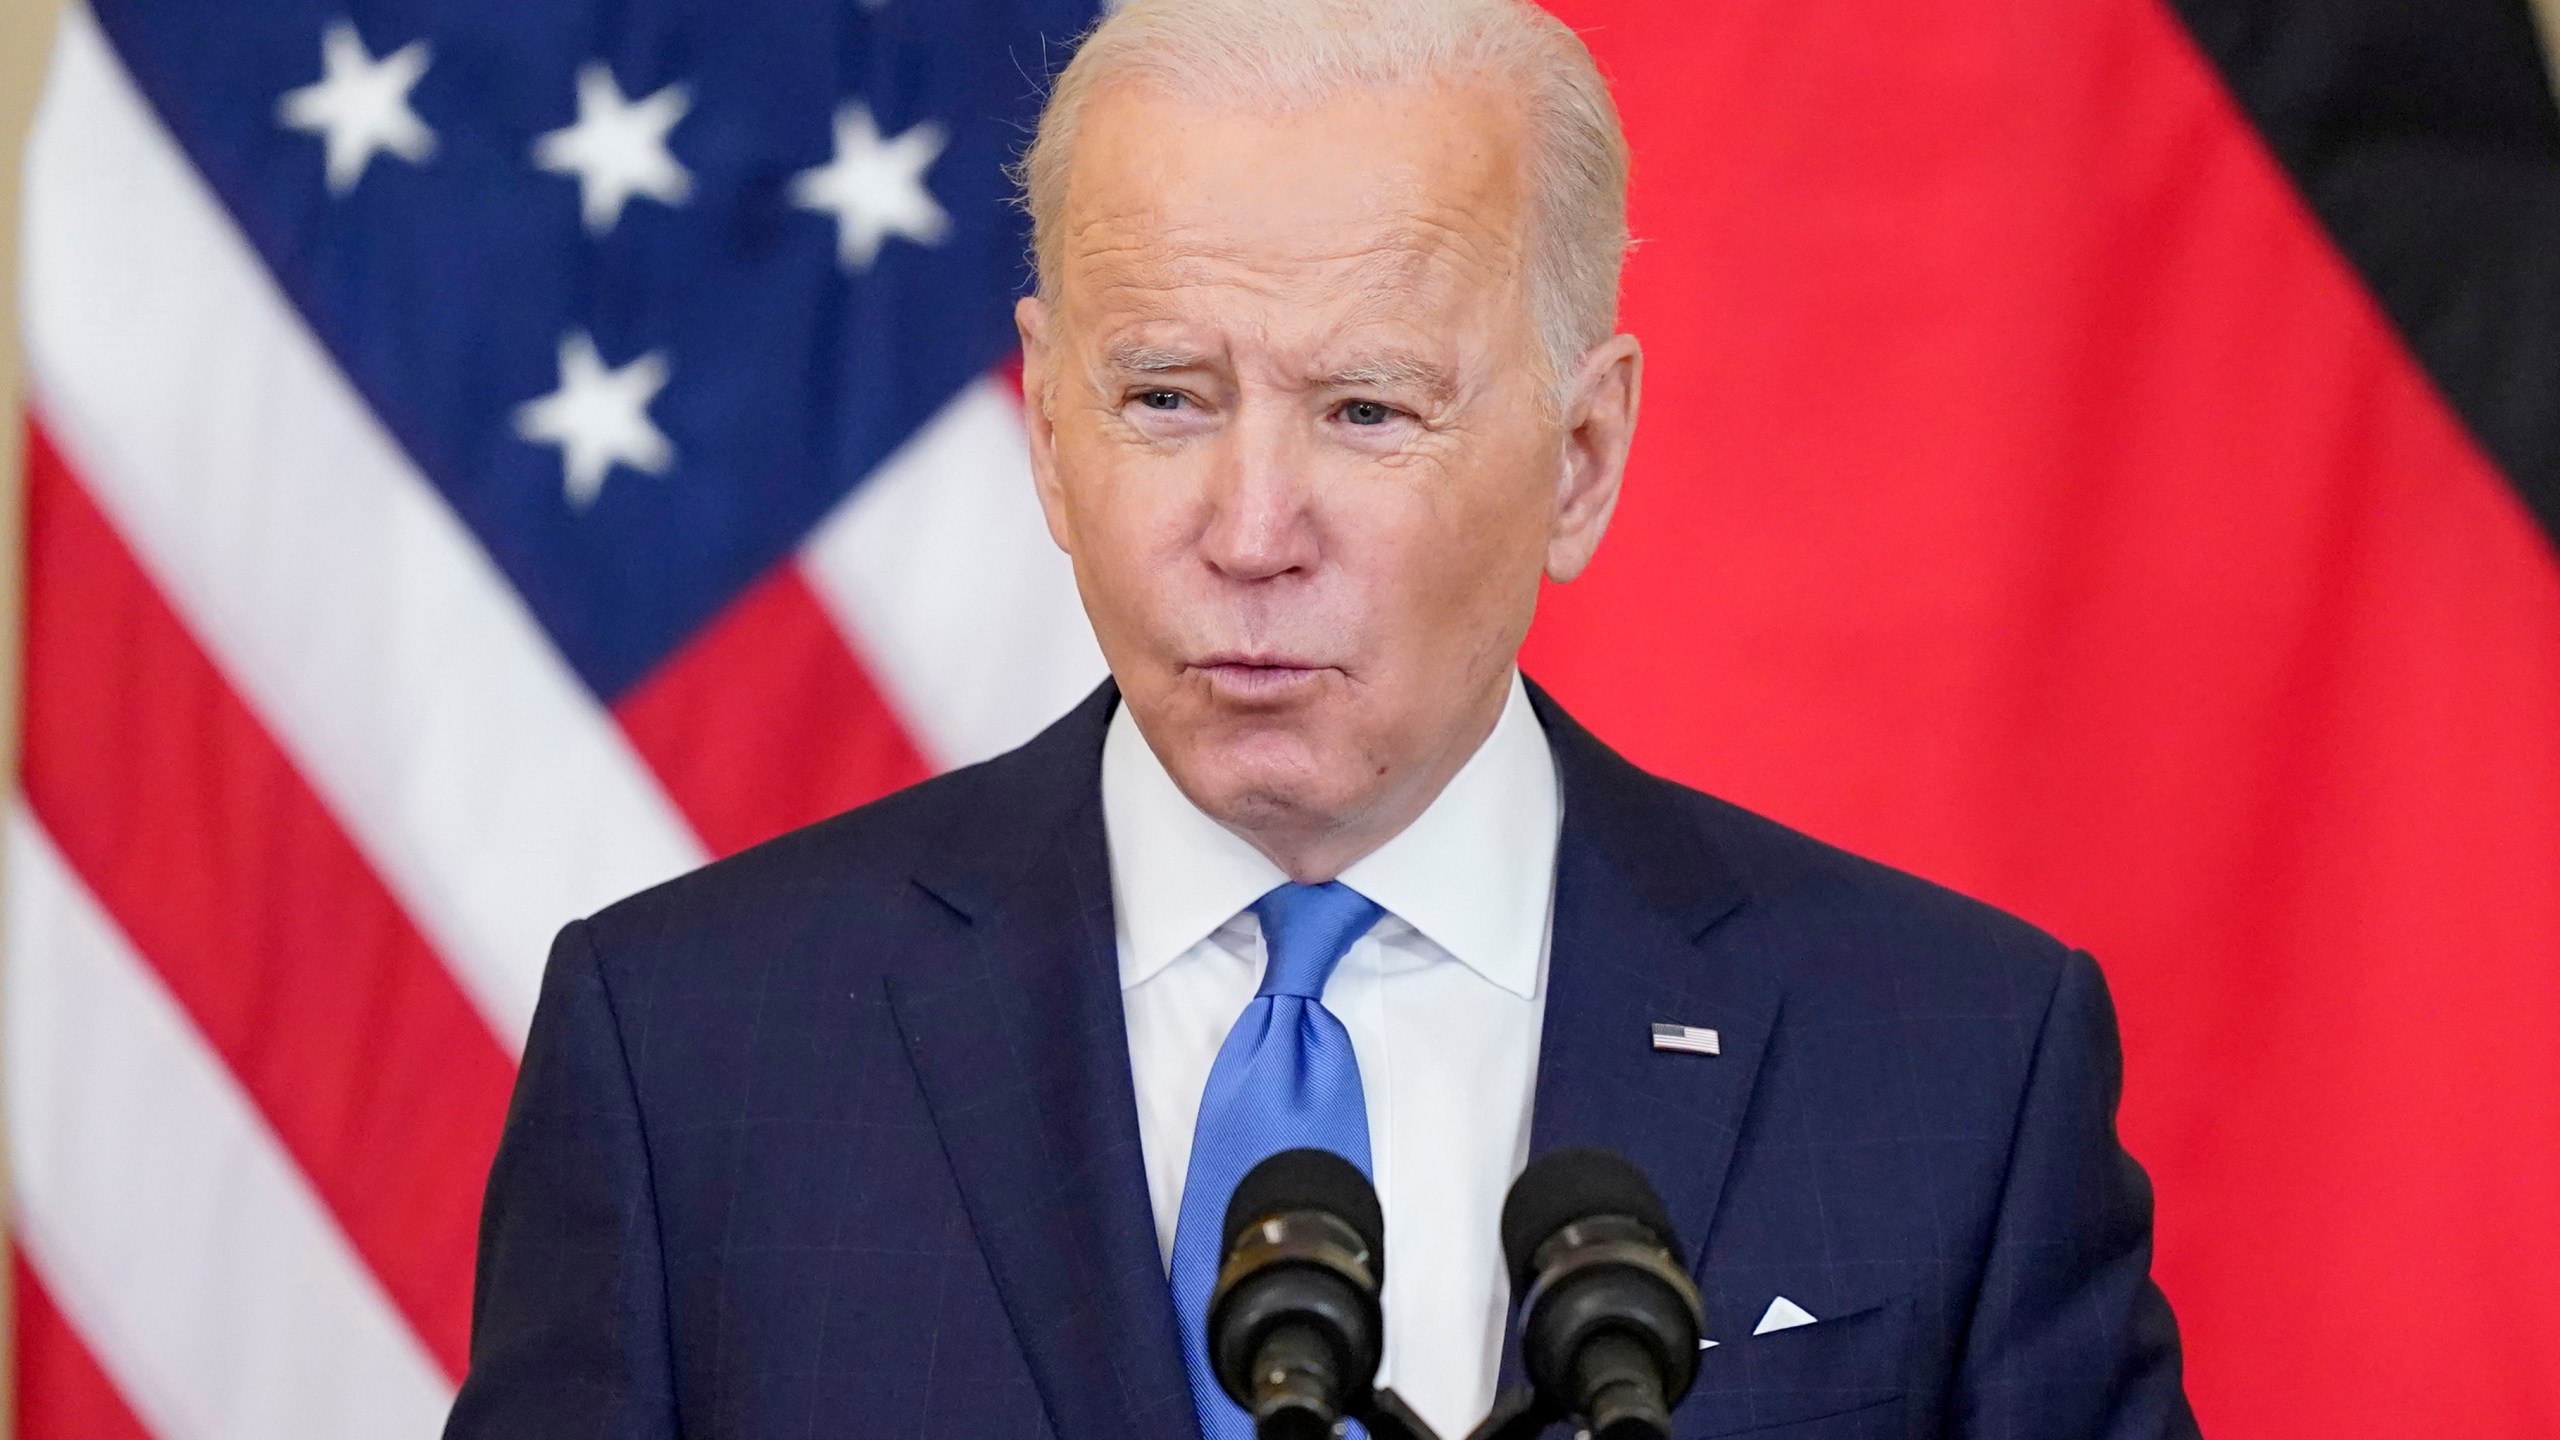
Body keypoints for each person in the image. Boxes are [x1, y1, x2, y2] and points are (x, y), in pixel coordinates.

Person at [443, 0, 2197, 1436]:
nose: (1251, 528)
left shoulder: (1956, 1062)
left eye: (1365, 409)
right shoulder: (689, 1058)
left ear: (1580, 460)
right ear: (1050, 432)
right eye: (1164, 397)